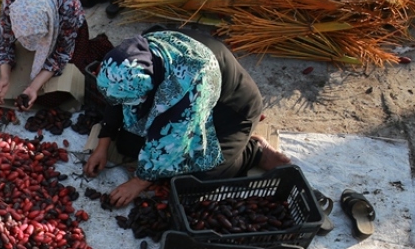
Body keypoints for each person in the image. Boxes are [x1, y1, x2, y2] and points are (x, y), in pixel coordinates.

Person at [85, 29, 292, 208]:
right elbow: (116, 101)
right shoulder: (133, 58)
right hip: (182, 104)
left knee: (196, 180)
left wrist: (139, 182)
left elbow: (175, 137)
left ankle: (253, 152)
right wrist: (103, 144)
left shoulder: (190, 78)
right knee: (128, 146)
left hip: (229, 111)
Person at [0, 0, 87, 109]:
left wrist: (33, 88)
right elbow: (3, 41)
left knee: (53, 97)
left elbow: (62, 54)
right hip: (35, 23)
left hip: (67, 28)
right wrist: (4, 77)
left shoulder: (68, 7)